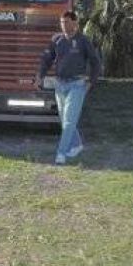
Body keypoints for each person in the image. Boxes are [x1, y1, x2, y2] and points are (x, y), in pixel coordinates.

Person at [36, 10, 101, 165]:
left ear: (75, 23)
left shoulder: (83, 41)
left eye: (66, 22)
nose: (63, 25)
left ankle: (61, 153)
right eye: (61, 22)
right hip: (60, 85)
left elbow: (95, 62)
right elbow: (47, 59)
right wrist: (40, 76)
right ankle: (77, 145)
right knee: (65, 120)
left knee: (69, 121)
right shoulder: (56, 40)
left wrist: (91, 81)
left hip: (77, 85)